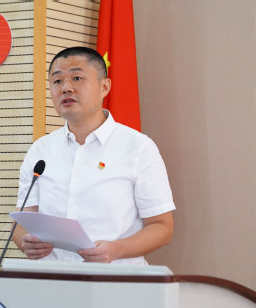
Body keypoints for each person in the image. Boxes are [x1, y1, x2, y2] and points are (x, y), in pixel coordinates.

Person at [12, 46, 175, 264]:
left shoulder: (138, 148)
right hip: (53, 278)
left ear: (104, 87)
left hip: (114, 279)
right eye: (57, 81)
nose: (66, 88)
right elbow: (22, 223)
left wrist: (117, 250)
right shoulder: (40, 150)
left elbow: (162, 226)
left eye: (77, 78)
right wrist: (25, 241)